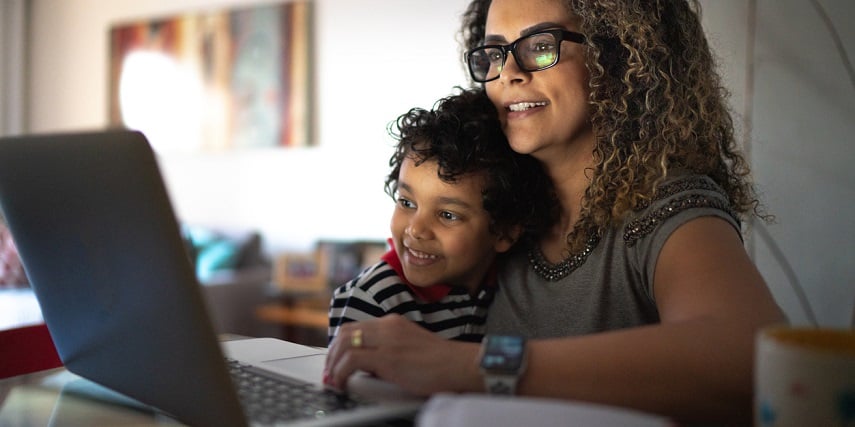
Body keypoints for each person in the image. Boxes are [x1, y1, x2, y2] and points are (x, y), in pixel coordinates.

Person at [324, 0, 785, 424]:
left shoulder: (665, 206)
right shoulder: (502, 205)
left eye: (540, 46)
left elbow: (751, 354)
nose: (508, 73)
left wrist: (469, 366)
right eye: (494, 53)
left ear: (618, 54)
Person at [327, 88, 555, 344]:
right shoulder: (373, 299)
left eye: (447, 214)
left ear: (504, 232)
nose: (416, 229)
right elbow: (347, 380)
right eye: (406, 202)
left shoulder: (508, 285)